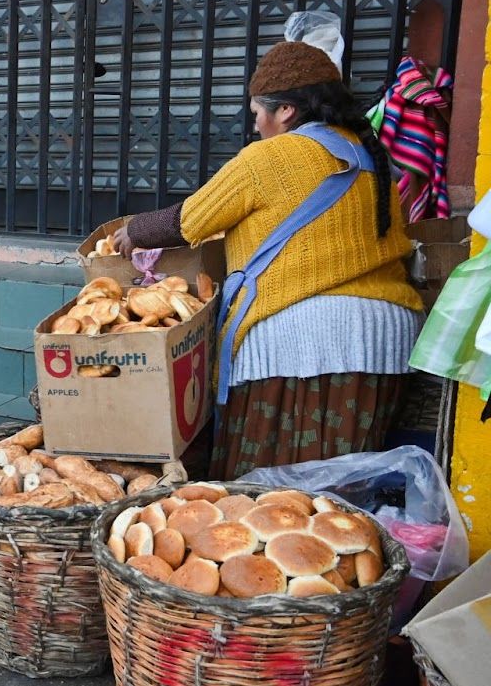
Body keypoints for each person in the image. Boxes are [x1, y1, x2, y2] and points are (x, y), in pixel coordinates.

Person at [116, 41, 422, 478]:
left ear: (287, 112)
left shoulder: (271, 158)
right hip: (383, 342)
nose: (255, 123)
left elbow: (191, 219)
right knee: (339, 493)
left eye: (258, 111)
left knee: (267, 490)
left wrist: (132, 232)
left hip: (305, 343)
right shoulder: (368, 155)